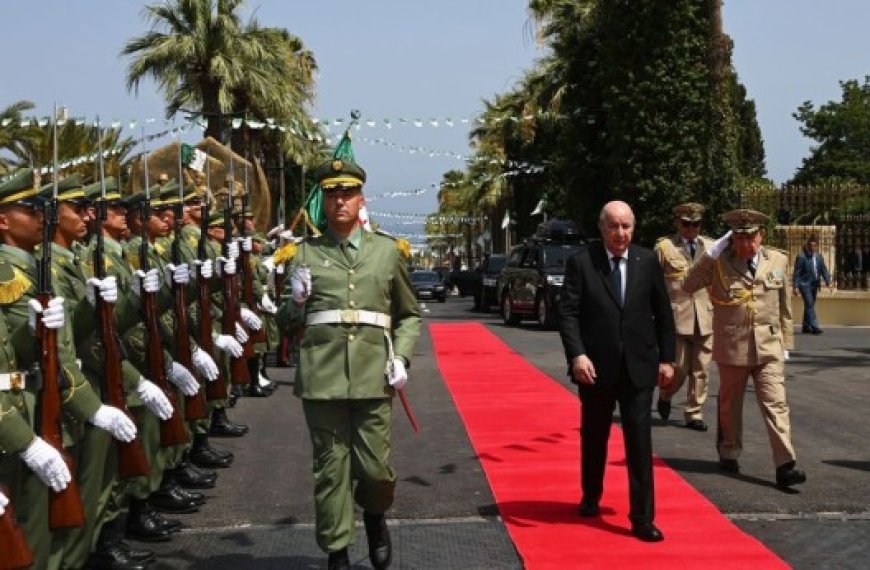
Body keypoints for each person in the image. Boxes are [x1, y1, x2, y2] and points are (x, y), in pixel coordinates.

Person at [278, 155, 421, 569]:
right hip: (322, 379)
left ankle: (375, 516)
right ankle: (337, 551)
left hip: (374, 375)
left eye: (347, 193)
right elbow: (286, 325)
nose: (340, 200)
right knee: (330, 471)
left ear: (362, 199)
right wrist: (297, 301)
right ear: (324, 201)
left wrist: (404, 357)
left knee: (375, 469)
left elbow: (408, 314)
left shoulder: (388, 252)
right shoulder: (301, 253)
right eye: (331, 194)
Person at [558, 200, 675, 542]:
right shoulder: (582, 263)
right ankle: (591, 494)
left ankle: (642, 518)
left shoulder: (647, 261)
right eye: (614, 226)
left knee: (639, 444)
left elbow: (664, 315)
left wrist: (667, 360)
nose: (621, 233)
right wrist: (577, 355)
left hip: (639, 368)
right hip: (594, 369)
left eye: (626, 227)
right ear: (601, 227)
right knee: (595, 438)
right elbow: (568, 314)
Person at [682, 209, 806, 490]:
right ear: (731, 240)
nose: (745, 245)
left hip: (768, 347)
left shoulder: (778, 260)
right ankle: (728, 450)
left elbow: (785, 308)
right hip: (732, 346)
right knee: (729, 405)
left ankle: (785, 465)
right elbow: (688, 285)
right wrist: (710, 255)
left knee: (776, 404)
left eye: (750, 238)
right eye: (738, 239)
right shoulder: (719, 263)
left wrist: (786, 344)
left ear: (761, 236)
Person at [654, 202, 714, 431]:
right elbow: (655, 282)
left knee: (701, 369)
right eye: (687, 224)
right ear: (677, 223)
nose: (691, 229)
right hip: (677, 317)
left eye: (696, 224)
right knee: (678, 368)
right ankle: (666, 395)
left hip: (705, 316)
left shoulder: (710, 246)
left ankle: (694, 412)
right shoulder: (665, 247)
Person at [792, 234, 831, 334]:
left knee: (809, 305)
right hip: (804, 284)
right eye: (811, 245)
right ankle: (814, 326)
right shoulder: (801, 256)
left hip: (814, 285)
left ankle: (806, 326)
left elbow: (823, 270)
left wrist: (828, 281)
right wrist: (795, 286)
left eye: (815, 245)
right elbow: (797, 272)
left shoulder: (819, 257)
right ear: (808, 245)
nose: (812, 247)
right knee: (809, 303)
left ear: (817, 246)